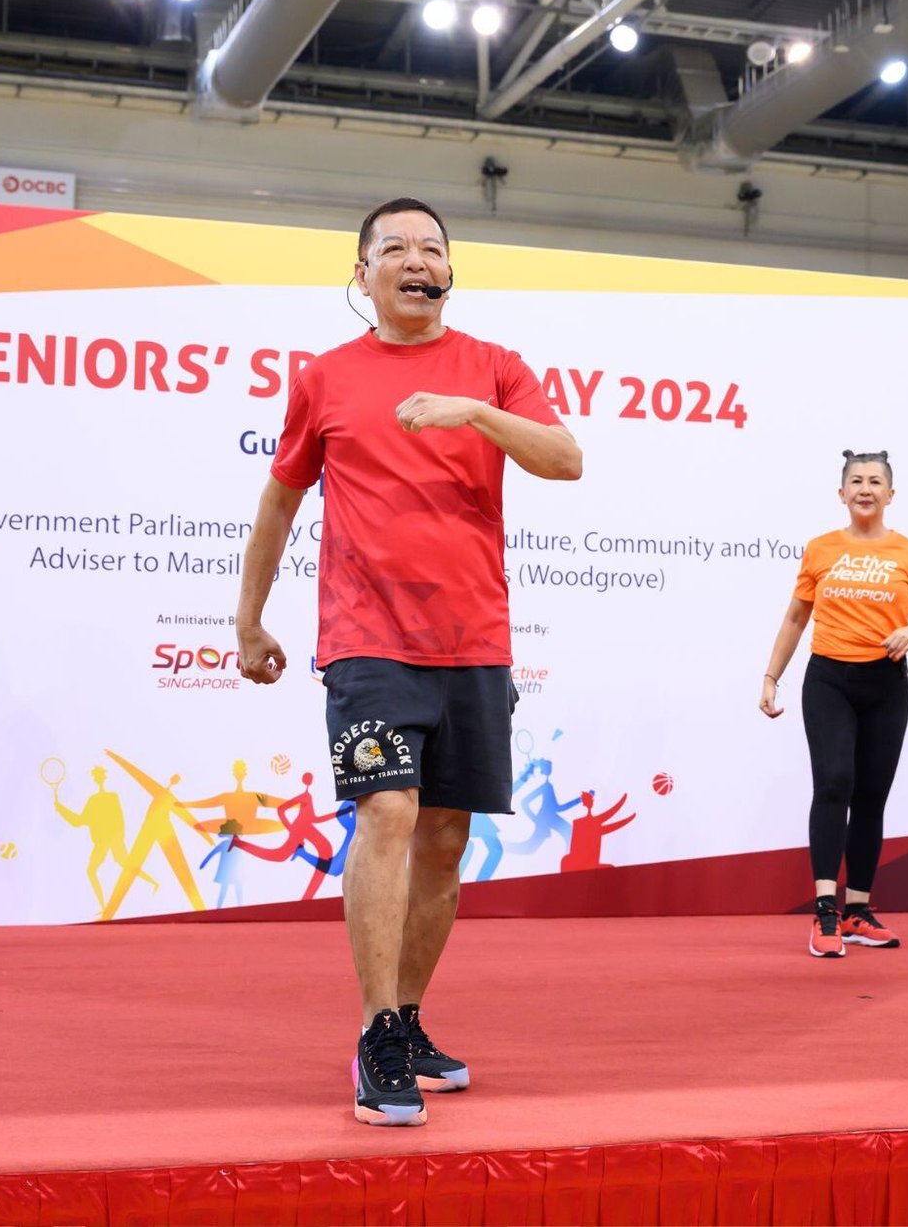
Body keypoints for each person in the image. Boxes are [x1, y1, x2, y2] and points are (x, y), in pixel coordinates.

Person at [235, 197, 582, 1127]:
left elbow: (565, 458)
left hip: (473, 643)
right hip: (366, 642)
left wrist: (473, 412)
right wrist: (248, 620)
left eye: (433, 247)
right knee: (387, 811)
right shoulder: (325, 379)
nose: (417, 259)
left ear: (450, 270)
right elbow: (278, 504)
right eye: (396, 247)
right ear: (363, 274)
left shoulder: (494, 368)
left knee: (443, 842)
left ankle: (410, 1017)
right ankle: (376, 1033)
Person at [760, 450, 908, 958]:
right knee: (835, 782)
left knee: (871, 796)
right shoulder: (820, 549)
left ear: (890, 494)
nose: (865, 488)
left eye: (875, 481)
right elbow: (796, 619)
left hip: (886, 683)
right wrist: (771, 676)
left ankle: (859, 909)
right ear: (841, 494)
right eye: (856, 481)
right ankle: (825, 912)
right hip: (829, 680)